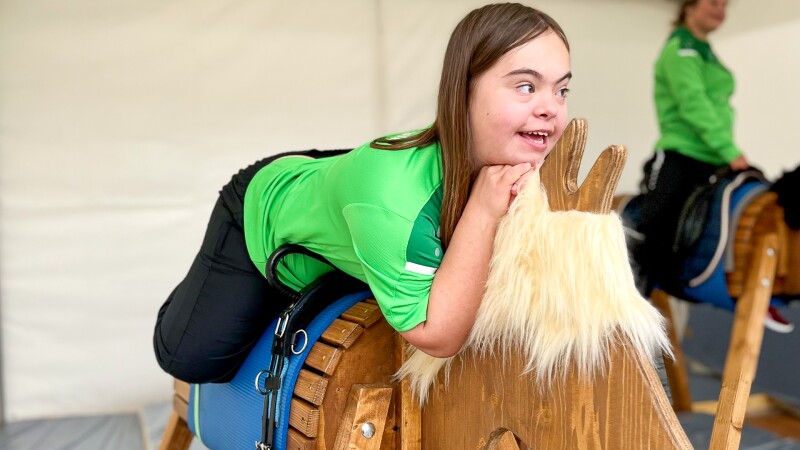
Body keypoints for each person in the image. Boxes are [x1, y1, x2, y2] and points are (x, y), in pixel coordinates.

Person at [153, 3, 572, 384]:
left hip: (355, 186)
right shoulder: (393, 201)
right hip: (262, 208)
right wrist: (481, 210)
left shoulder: (517, 162)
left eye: (561, 90)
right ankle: (194, 291)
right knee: (194, 361)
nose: (550, 107)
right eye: (525, 87)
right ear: (462, 92)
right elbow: (438, 335)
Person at [636, 0, 748, 295]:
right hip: (681, 154)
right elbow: (693, 104)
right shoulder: (681, 50)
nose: (720, 10)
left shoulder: (705, 53)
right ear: (689, 6)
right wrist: (730, 149)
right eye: (713, 3)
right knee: (656, 230)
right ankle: (636, 295)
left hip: (714, 157)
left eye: (725, 6)